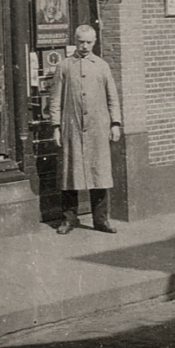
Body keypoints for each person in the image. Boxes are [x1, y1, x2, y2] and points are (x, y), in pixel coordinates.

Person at [49, 24, 122, 235]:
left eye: (89, 42)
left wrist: (115, 123)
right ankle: (68, 220)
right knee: (69, 175)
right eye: (81, 41)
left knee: (99, 174)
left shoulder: (102, 66)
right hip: (71, 128)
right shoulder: (64, 66)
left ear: (95, 42)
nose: (85, 46)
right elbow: (55, 100)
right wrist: (55, 127)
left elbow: (112, 98)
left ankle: (101, 220)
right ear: (75, 40)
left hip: (98, 128)